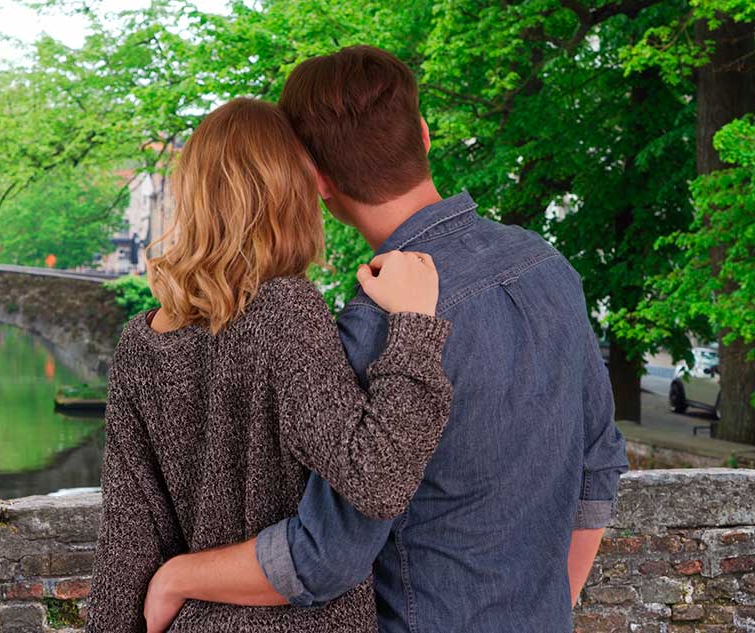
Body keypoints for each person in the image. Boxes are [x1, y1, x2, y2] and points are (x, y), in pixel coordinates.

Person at [143, 46, 629, 633]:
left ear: (315, 180)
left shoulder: (377, 326)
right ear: (422, 135)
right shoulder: (547, 266)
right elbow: (598, 466)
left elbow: (327, 555)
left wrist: (178, 576)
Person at [85, 97, 454, 633]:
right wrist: (416, 326)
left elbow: (127, 538)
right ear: (289, 191)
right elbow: (377, 479)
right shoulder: (286, 309)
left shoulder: (140, 343)